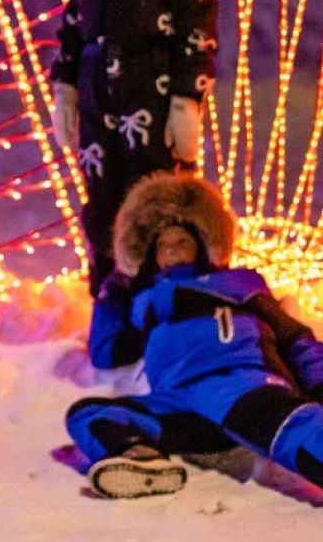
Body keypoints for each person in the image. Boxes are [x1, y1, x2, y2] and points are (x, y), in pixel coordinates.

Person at [66, 172, 323, 500]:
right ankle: (141, 460)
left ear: (201, 245)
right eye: (162, 245)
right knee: (89, 414)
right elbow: (106, 352)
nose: (171, 251)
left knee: (298, 428)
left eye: (181, 242)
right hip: (182, 401)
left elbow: (294, 338)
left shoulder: (239, 283)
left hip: (240, 385)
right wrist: (110, 293)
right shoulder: (145, 303)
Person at [50, 0, 219, 313]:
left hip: (152, 99)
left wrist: (186, 104)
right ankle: (111, 304)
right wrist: (65, 88)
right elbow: (73, 26)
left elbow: (197, 37)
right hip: (98, 101)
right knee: (101, 202)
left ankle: (163, 304)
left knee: (155, 206)